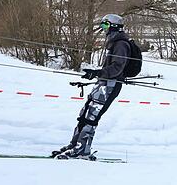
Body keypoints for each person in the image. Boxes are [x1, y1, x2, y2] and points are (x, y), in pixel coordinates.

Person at [52, 14, 131, 160]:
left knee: (92, 117)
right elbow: (110, 68)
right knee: (84, 114)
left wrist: (98, 72)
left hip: (111, 86)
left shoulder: (121, 44)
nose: (103, 29)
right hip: (103, 84)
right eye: (102, 26)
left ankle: (83, 150)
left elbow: (117, 68)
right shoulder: (113, 42)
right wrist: (95, 74)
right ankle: (75, 144)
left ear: (114, 27)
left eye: (105, 26)